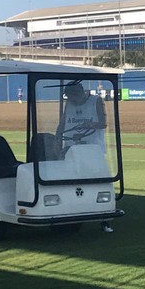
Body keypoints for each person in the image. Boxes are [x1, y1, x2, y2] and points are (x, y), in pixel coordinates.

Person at [57, 82, 113, 233]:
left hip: (92, 150)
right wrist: (57, 137)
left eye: (73, 97)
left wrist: (91, 124)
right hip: (71, 149)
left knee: (97, 183)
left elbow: (103, 123)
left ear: (79, 93)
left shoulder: (95, 101)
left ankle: (104, 219)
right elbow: (63, 122)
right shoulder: (69, 104)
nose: (72, 101)